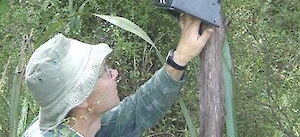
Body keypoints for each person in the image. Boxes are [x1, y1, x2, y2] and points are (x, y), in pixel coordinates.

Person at [23, 14, 213, 136]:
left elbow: (135, 112)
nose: (114, 73)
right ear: (80, 99)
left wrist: (179, 59)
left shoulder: (76, 122)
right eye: (104, 72)